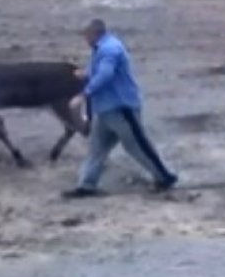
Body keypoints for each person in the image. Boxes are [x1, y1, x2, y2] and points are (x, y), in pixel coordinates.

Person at [63, 19, 178, 199]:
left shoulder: (110, 49)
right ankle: (86, 185)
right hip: (106, 109)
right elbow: (101, 70)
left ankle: (164, 176)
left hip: (120, 107)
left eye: (85, 35)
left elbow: (106, 74)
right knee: (96, 148)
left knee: (136, 145)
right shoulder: (103, 48)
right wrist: (86, 73)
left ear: (94, 33)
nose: (84, 39)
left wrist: (84, 95)